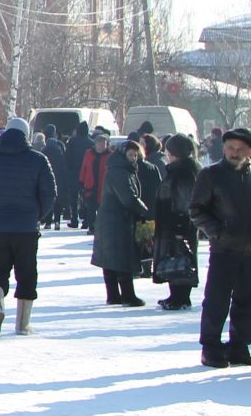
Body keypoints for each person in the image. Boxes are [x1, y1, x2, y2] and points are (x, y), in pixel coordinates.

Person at [0, 116, 56, 335]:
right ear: (27, 135)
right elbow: (50, 193)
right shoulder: (38, 159)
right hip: (26, 226)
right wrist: (38, 215)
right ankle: (23, 324)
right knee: (26, 274)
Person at [191, 128, 251, 367]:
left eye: (239, 149)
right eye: (230, 148)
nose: (234, 153)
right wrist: (218, 232)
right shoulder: (211, 174)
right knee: (217, 299)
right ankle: (210, 346)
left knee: (246, 301)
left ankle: (239, 345)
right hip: (224, 249)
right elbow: (197, 210)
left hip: (249, 251)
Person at [92, 138, 153, 308]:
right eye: (131, 155)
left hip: (111, 219)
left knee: (110, 257)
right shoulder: (120, 172)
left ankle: (113, 295)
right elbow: (129, 198)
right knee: (121, 256)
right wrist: (145, 211)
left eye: (136, 155)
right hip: (117, 220)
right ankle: (127, 295)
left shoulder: (119, 170)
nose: (134, 158)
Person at [152, 134, 201, 311]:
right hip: (172, 222)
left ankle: (181, 297)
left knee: (180, 259)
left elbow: (184, 199)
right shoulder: (181, 169)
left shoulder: (183, 172)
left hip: (178, 223)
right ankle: (176, 295)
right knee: (174, 259)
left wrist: (180, 224)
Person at [79, 128, 115, 232]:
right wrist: (81, 181)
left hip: (104, 186)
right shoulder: (89, 153)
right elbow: (84, 168)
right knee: (91, 208)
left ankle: (102, 227)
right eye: (99, 144)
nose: (101, 146)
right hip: (90, 185)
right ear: (95, 144)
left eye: (103, 144)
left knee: (103, 208)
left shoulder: (110, 155)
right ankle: (92, 227)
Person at [62, 121, 93, 227]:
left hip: (73, 173)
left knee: (73, 198)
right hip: (87, 174)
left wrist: (68, 169)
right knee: (87, 197)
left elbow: (67, 157)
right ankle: (87, 220)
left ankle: (74, 219)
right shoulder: (91, 143)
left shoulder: (72, 142)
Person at [40, 125, 68, 229]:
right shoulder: (60, 145)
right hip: (59, 175)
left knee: (49, 197)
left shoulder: (44, 146)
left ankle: (48, 222)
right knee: (59, 198)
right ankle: (57, 221)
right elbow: (65, 160)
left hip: (48, 175)